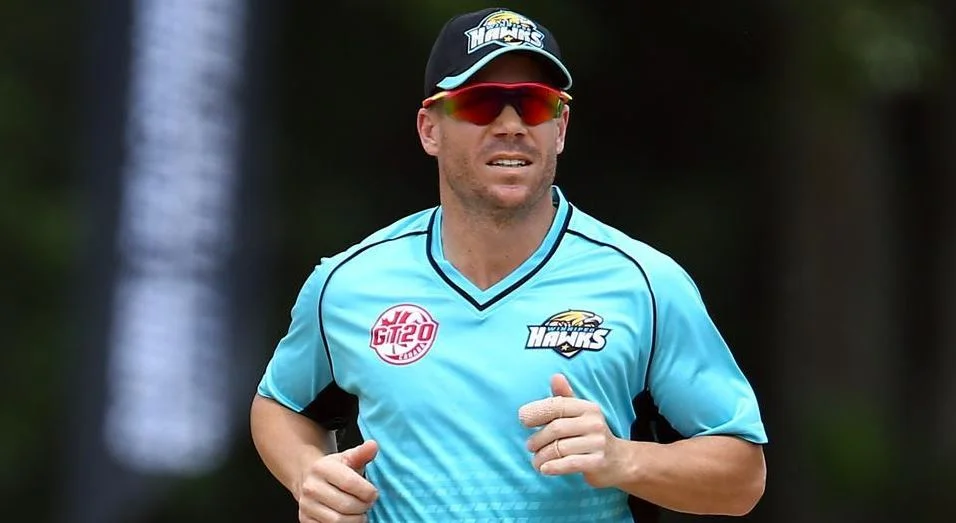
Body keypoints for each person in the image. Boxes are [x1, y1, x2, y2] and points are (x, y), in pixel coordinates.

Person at [250, 7, 768, 523]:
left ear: (560, 128)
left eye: (535, 104)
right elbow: (280, 405)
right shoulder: (348, 282)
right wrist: (308, 475)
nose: (512, 125)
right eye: (480, 103)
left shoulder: (647, 284)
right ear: (430, 130)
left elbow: (743, 477)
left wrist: (623, 458)